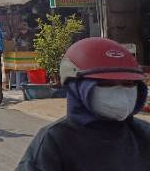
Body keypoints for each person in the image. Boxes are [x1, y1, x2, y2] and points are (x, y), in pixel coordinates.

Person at [16, 37, 150, 170]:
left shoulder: (144, 133)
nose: (120, 92)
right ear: (76, 88)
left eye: (128, 83)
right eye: (106, 83)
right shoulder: (55, 140)